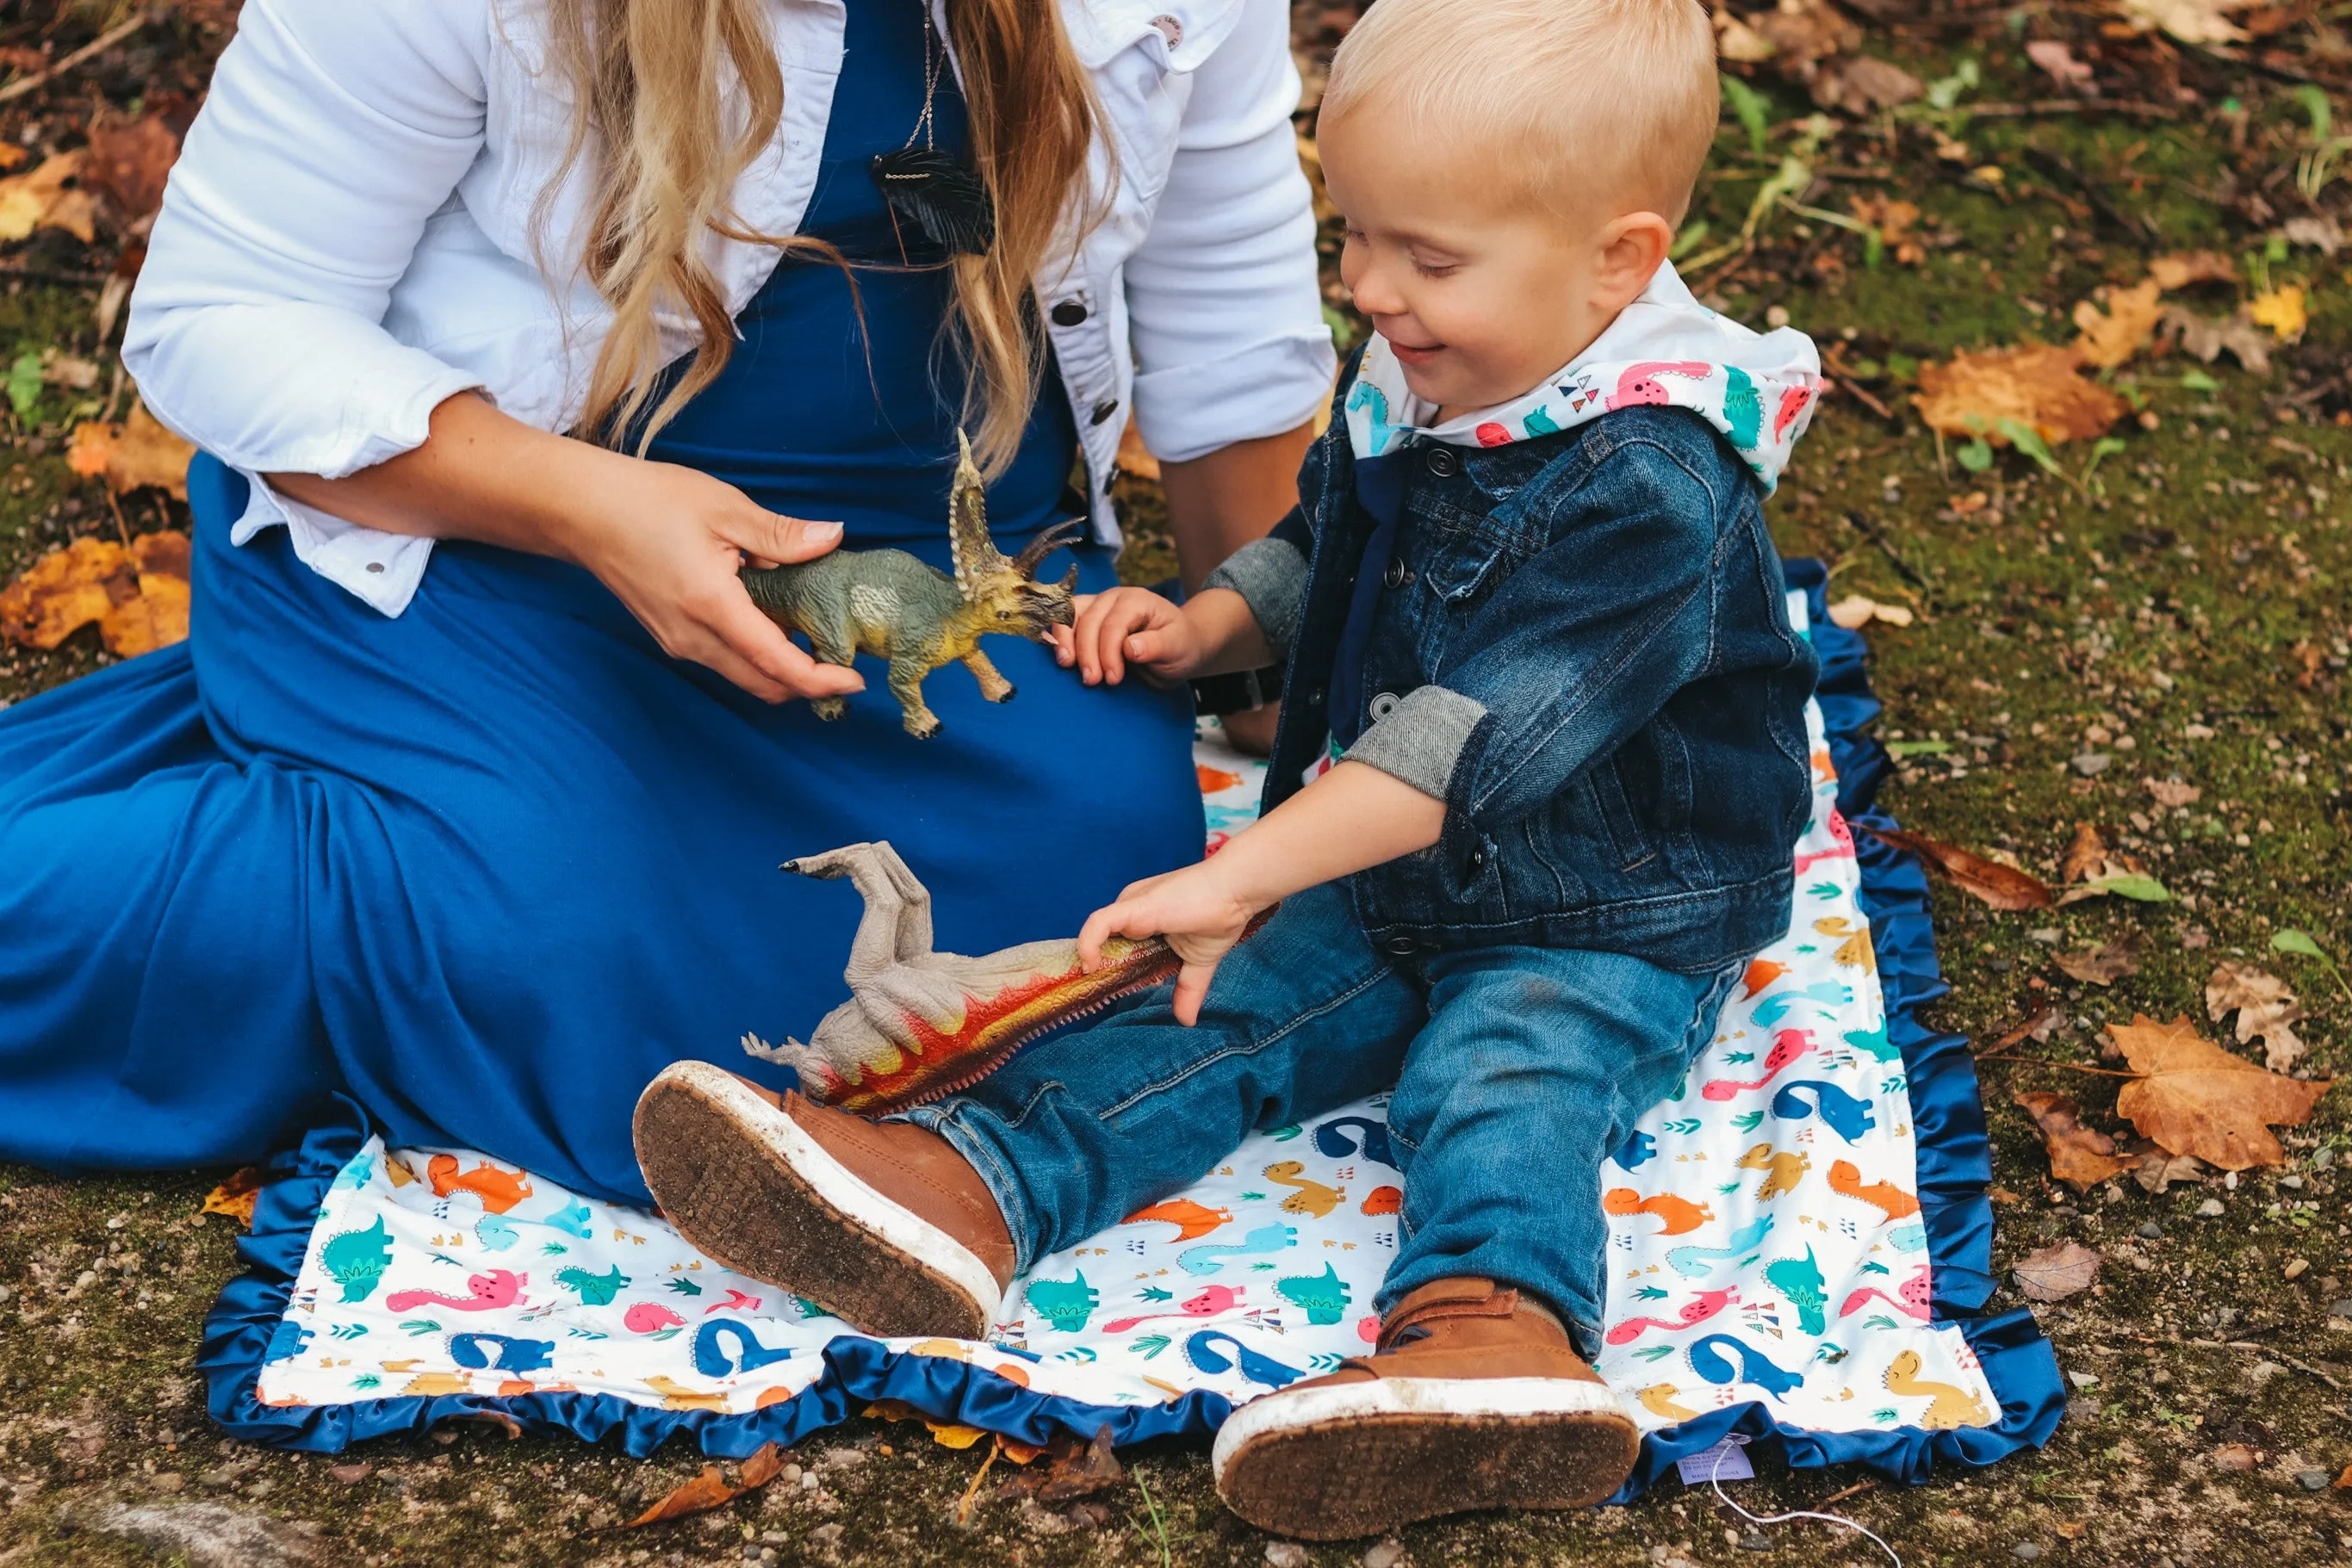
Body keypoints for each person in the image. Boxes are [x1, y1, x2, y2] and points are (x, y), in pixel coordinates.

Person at [634, 0, 1824, 1535]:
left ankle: (1487, 1339)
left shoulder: (1652, 484)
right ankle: (965, 1191)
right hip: (1391, 870)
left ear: (1617, 255)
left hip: (1597, 903)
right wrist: (1206, 625)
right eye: (1356, 237)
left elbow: (1452, 744)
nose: (1369, 289)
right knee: (1215, 1007)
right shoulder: (1449, 360)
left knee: (1504, 1071)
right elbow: (1331, 539)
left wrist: (1236, 869)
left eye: (1423, 259)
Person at [0, 0, 1333, 1205]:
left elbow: (1229, 325)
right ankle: (344, 848)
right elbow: (225, 313)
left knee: (1099, 877)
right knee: (552, 943)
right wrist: (591, 509)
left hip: (904, 593)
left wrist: (1273, 678)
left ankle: (401, 805)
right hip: (500, 536)